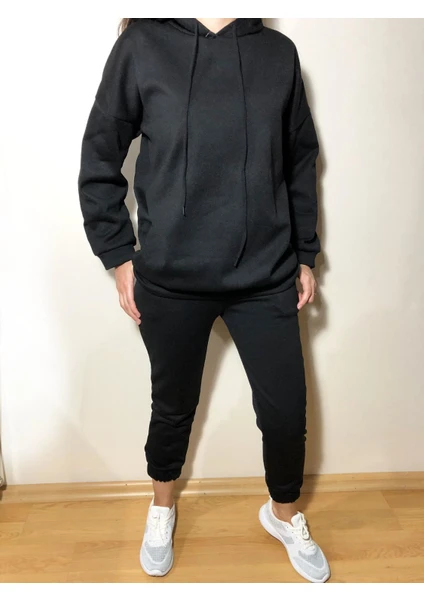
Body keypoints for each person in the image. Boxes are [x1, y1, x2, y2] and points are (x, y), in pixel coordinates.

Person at [78, 17, 330, 583]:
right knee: (172, 405)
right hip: (172, 276)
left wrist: (305, 254)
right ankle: (162, 507)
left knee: (286, 411)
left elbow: (299, 161)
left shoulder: (278, 54)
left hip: (265, 273)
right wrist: (118, 254)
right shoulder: (142, 44)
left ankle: (283, 514)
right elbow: (99, 157)